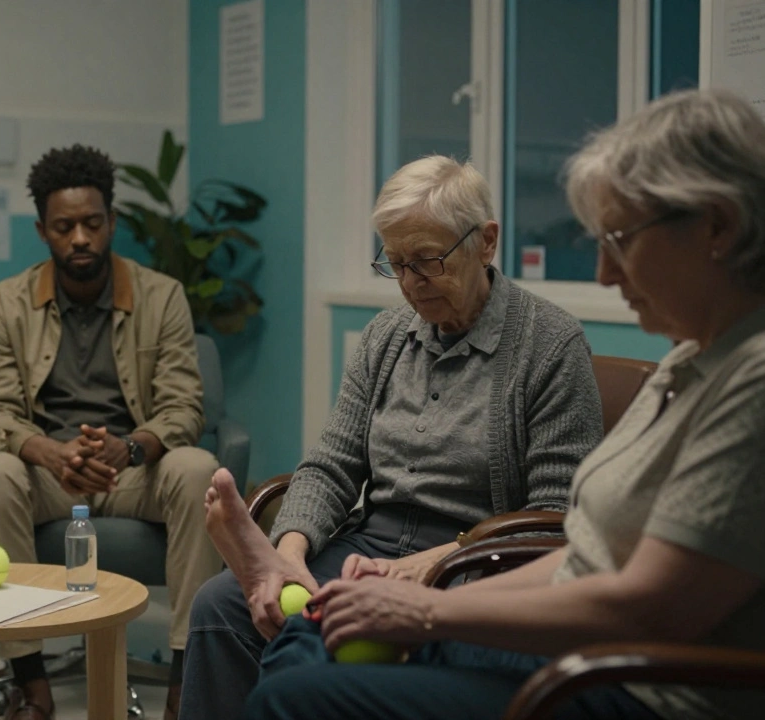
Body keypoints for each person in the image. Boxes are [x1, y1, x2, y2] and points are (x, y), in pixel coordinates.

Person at [233, 88, 765, 720]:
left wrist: (430, 604)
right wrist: (398, 594)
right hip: (559, 639)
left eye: (621, 239)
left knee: (294, 693)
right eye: (397, 264)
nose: (603, 273)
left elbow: (641, 603)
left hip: (623, 681)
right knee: (309, 635)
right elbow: (583, 553)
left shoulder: (752, 381)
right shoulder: (690, 362)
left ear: (716, 226)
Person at [179, 155, 604, 718]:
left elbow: (555, 516)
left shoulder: (550, 344)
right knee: (220, 606)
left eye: (426, 262)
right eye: (396, 264)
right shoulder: (386, 336)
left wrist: (435, 563)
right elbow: (332, 464)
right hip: (366, 547)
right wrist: (290, 553)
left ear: (486, 242)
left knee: (314, 637)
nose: (409, 284)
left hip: (473, 561)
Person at [0, 144, 222, 719]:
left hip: (134, 469)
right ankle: (31, 684)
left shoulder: (162, 295)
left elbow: (183, 405)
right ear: (43, 230)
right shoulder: (8, 302)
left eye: (92, 223)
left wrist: (129, 448)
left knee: (196, 468)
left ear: (112, 221)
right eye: (64, 227)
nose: (80, 238)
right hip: (50, 474)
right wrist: (51, 454)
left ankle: (186, 685)